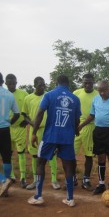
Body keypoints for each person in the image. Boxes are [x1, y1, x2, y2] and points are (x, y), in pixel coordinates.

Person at [28, 75, 81, 207]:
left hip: (50, 136)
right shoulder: (75, 99)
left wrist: (33, 133)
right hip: (67, 137)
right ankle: (70, 199)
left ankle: (38, 196)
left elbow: (40, 113)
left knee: (40, 162)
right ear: (68, 84)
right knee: (68, 166)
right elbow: (76, 120)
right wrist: (76, 131)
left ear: (57, 83)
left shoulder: (49, 95)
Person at [78, 80, 109, 194]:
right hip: (98, 131)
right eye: (100, 91)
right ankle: (102, 184)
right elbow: (92, 115)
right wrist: (81, 126)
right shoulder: (96, 99)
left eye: (104, 90)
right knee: (101, 158)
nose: (102, 93)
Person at [22, 77, 60, 190]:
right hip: (35, 131)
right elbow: (24, 115)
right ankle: (35, 180)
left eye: (44, 85)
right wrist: (32, 124)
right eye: (40, 85)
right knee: (35, 155)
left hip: (48, 130)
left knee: (52, 154)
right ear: (34, 86)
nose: (42, 87)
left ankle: (54, 180)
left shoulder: (49, 96)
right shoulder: (28, 98)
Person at [73, 73, 98, 191]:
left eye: (90, 82)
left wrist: (81, 125)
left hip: (90, 127)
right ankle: (72, 178)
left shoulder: (97, 95)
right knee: (71, 154)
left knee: (89, 155)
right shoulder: (76, 93)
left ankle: (86, 179)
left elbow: (94, 114)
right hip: (75, 127)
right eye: (85, 82)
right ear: (82, 83)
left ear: (94, 82)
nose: (87, 85)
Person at [5, 74, 29, 188]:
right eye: (9, 83)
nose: (12, 85)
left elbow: (29, 108)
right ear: (5, 83)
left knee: (21, 153)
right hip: (7, 129)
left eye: (14, 83)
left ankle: (23, 178)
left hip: (20, 128)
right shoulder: (3, 94)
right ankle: (11, 176)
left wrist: (27, 120)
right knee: (8, 153)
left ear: (16, 82)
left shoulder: (24, 94)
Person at [0, 72, 20, 197]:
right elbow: (17, 114)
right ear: (3, 81)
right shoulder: (9, 95)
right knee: (6, 157)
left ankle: (3, 180)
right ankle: (6, 182)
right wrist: (9, 122)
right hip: (5, 129)